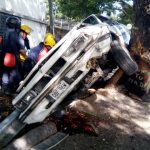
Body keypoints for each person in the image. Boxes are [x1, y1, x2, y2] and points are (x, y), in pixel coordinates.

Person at [1, 16, 32, 95]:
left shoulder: (5, 32)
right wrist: (27, 56)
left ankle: (4, 89)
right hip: (12, 57)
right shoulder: (17, 35)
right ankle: (9, 91)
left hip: (3, 56)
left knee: (5, 73)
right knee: (15, 75)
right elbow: (22, 50)